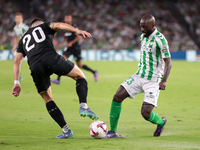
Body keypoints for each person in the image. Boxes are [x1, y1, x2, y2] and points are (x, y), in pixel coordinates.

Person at [12, 18, 99, 139]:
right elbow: (59, 25)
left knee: (47, 99)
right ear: (40, 24)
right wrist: (76, 30)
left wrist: (16, 82)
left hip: (35, 67)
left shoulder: (23, 40)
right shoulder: (44, 26)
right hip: (50, 58)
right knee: (80, 76)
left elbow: (17, 61)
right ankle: (83, 106)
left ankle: (66, 131)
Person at [104, 14, 172, 138]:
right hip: (139, 75)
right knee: (117, 96)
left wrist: (164, 81)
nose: (142, 29)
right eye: (141, 27)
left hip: (153, 80)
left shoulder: (160, 40)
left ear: (153, 26)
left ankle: (161, 122)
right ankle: (112, 131)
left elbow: (168, 61)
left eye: (145, 27)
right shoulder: (143, 37)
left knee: (146, 114)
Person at [51, 15, 98, 85]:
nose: (67, 20)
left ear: (71, 19)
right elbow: (65, 37)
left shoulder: (74, 27)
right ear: (64, 19)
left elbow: (78, 38)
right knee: (61, 60)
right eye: (66, 18)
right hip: (69, 48)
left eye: (69, 18)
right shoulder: (65, 28)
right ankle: (58, 79)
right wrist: (60, 45)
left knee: (80, 65)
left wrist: (71, 43)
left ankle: (94, 72)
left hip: (76, 48)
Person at [11, 12, 29, 81]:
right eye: (16, 18)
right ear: (15, 19)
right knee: (16, 61)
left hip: (28, 46)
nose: (18, 19)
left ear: (22, 19)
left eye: (19, 18)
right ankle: (19, 77)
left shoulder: (25, 27)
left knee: (33, 61)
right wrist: (14, 47)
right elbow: (16, 38)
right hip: (21, 47)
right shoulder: (15, 28)